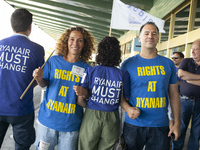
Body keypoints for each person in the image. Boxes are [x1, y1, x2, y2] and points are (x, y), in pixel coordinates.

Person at [120, 22, 181, 150]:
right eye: (146, 33)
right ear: (140, 38)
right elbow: (119, 94)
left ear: (158, 39)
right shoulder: (127, 64)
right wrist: (127, 108)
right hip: (133, 124)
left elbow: (174, 94)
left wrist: (177, 122)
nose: (150, 36)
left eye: (154, 33)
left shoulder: (168, 64)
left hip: (160, 125)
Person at [33, 26, 95, 150]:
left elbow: (90, 97)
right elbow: (44, 84)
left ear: (84, 44)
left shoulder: (87, 69)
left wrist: (85, 92)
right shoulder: (54, 61)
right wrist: (39, 78)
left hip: (70, 125)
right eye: (72, 39)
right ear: (66, 41)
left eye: (80, 40)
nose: (75, 43)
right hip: (47, 122)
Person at [73, 36, 140, 150]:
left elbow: (80, 100)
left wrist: (92, 105)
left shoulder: (91, 71)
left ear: (100, 53)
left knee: (85, 147)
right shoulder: (123, 74)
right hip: (112, 118)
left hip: (91, 116)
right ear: (117, 54)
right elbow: (125, 99)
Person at [0, 8, 45, 150]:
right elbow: (37, 79)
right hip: (22, 110)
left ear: (12, 25)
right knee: (22, 147)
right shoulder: (37, 49)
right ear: (30, 27)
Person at [172, 39, 200, 150]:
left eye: (196, 49)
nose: (192, 52)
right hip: (184, 101)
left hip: (199, 102)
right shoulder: (187, 61)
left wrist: (189, 79)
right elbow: (181, 73)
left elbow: (185, 76)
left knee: (196, 132)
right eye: (192, 49)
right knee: (180, 128)